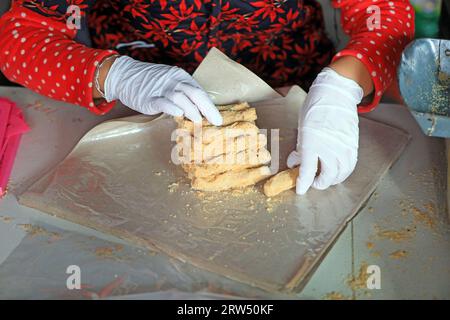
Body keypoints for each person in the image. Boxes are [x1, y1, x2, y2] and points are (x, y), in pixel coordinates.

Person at [0, 0, 414, 194]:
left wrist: (342, 86)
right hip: (144, 97)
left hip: (297, 94)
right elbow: (19, 37)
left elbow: (384, 13)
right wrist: (115, 75)